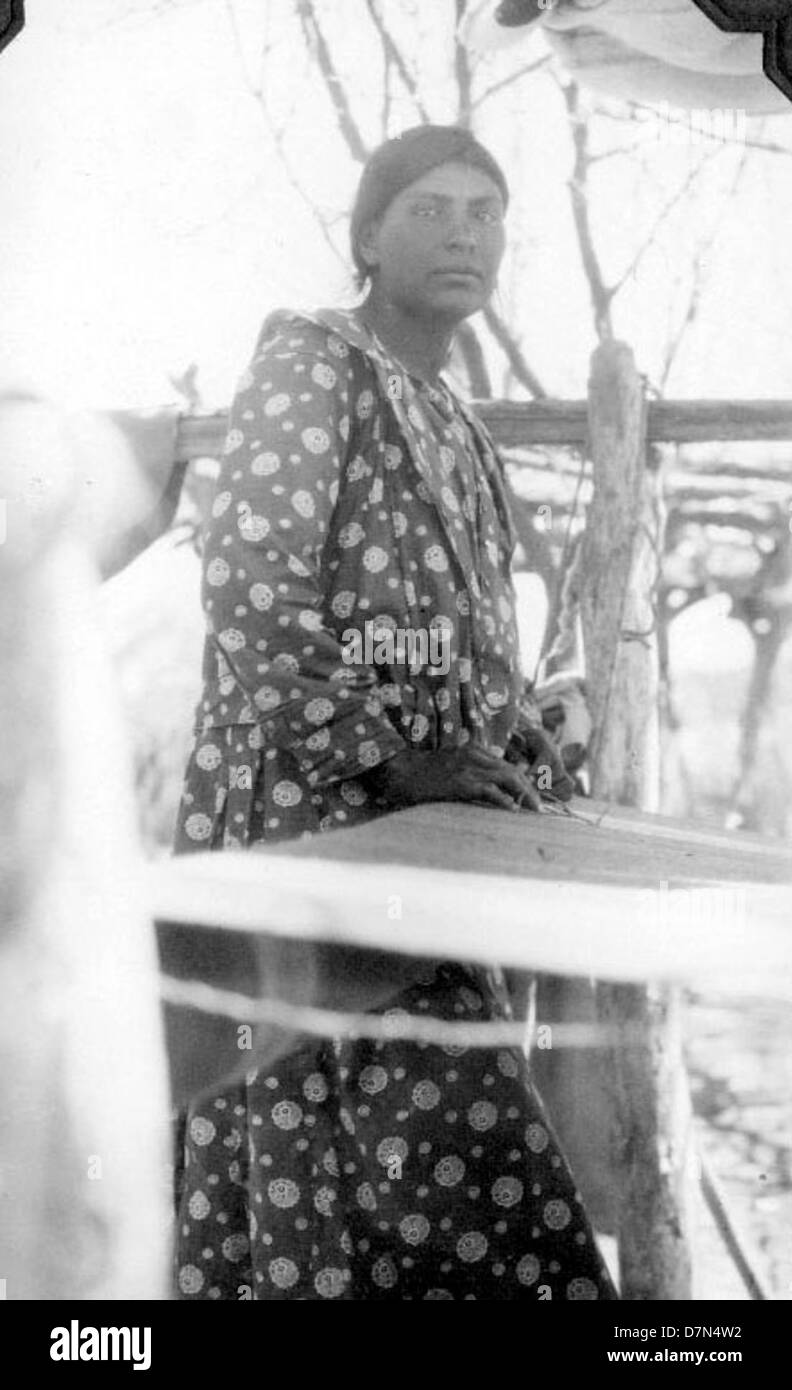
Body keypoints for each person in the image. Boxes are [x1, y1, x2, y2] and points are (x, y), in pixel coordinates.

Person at [173, 124, 617, 1301]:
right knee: (455, 1190)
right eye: (430, 208)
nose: (465, 229)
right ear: (368, 237)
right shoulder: (314, 360)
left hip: (425, 859)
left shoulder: (461, 425)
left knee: (427, 1202)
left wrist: (515, 736)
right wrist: (397, 760)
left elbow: (464, 652)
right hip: (314, 842)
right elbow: (252, 586)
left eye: (486, 209)